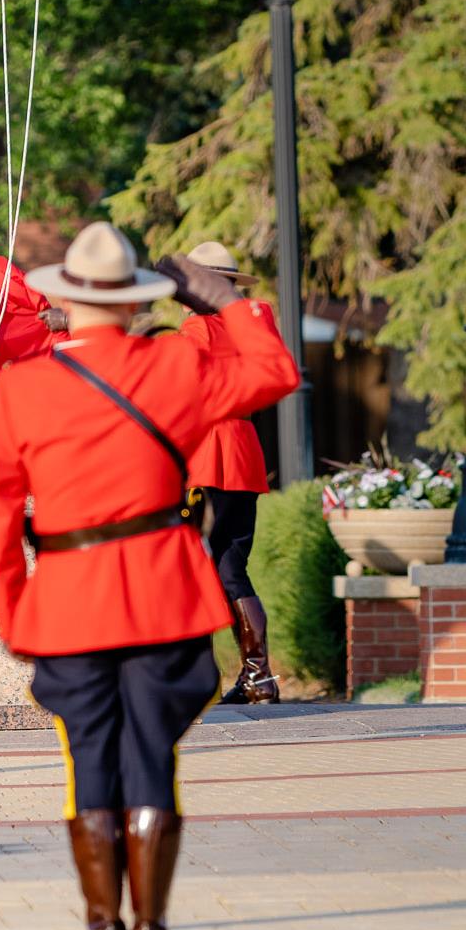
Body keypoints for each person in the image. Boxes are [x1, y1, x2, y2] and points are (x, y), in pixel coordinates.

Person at [0, 223, 300, 930]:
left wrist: (12, 613)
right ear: (133, 303)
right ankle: (150, 922)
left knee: (89, 751)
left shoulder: (25, 386)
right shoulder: (173, 368)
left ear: (69, 300)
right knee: (153, 749)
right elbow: (275, 373)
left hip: (66, 602)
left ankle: (102, 921)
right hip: (162, 596)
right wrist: (223, 302)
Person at [179, 242, 282, 705]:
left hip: (204, 455)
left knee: (192, 568)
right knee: (230, 566)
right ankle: (257, 676)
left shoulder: (195, 329)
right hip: (242, 451)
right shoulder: (255, 328)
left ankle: (201, 679)